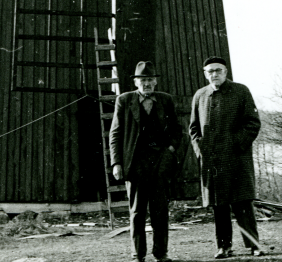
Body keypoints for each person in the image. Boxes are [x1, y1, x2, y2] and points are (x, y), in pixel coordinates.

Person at [189, 57, 264, 258]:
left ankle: (254, 245)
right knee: (219, 206)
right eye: (210, 71)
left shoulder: (241, 91)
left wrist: (235, 144)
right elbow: (194, 128)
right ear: (205, 74)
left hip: (237, 159)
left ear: (225, 71)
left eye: (218, 70)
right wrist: (201, 149)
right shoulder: (200, 95)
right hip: (212, 162)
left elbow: (252, 123)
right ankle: (223, 246)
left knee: (243, 204)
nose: (214, 74)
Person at [109, 60, 182, 262]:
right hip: (135, 163)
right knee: (137, 211)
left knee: (160, 210)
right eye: (142, 80)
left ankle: (161, 253)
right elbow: (115, 133)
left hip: (160, 161)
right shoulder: (124, 100)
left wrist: (170, 149)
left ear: (155, 82)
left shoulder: (165, 100)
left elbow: (177, 129)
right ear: (136, 82)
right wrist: (116, 163)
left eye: (150, 79)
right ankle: (138, 254)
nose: (147, 84)